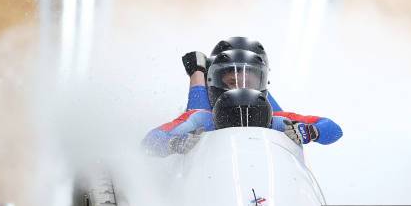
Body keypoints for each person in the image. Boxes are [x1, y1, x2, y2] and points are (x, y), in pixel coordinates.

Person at [142, 89, 342, 157]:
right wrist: (174, 144)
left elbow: (334, 129)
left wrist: (312, 131)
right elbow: (149, 141)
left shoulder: (281, 122)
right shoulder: (201, 118)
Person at [181, 37, 283, 111]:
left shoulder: (264, 102)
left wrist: (197, 74)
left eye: (248, 83)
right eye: (233, 82)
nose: (242, 90)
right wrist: (197, 76)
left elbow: (287, 120)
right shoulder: (204, 113)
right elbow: (196, 122)